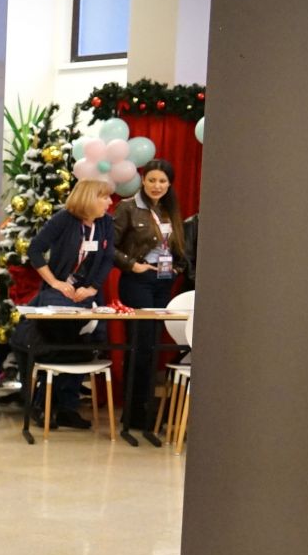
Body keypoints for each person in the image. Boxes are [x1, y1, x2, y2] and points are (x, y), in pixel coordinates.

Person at [24, 179, 117, 428]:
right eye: (104, 197)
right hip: (59, 294)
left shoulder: (106, 223)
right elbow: (35, 250)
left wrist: (92, 288)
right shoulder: (64, 220)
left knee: (83, 345)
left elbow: (108, 258)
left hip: (87, 294)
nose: (109, 202)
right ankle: (42, 404)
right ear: (89, 198)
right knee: (59, 344)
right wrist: (55, 282)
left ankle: (67, 407)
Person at [110, 159, 191, 428]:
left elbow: (178, 246)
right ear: (143, 180)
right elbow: (109, 246)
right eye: (152, 180)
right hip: (138, 281)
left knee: (154, 346)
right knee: (140, 345)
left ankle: (146, 410)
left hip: (163, 282)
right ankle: (132, 413)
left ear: (170, 184)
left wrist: (178, 268)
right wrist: (132, 265)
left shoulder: (169, 209)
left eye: (163, 181)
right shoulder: (128, 207)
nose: (157, 186)